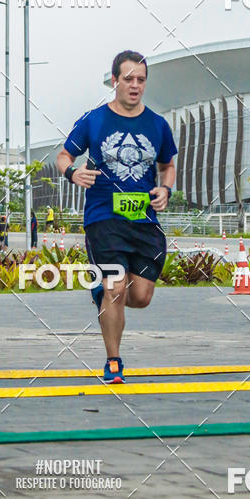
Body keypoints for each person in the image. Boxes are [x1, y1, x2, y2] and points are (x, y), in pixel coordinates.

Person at [57, 50, 177, 384]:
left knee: (139, 297)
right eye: (128, 79)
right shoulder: (94, 120)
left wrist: (166, 190)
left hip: (144, 221)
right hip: (103, 217)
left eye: (141, 80)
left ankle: (101, 294)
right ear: (115, 81)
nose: (135, 86)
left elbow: (168, 164)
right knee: (115, 288)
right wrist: (73, 173)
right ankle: (113, 361)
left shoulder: (158, 124)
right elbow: (64, 155)